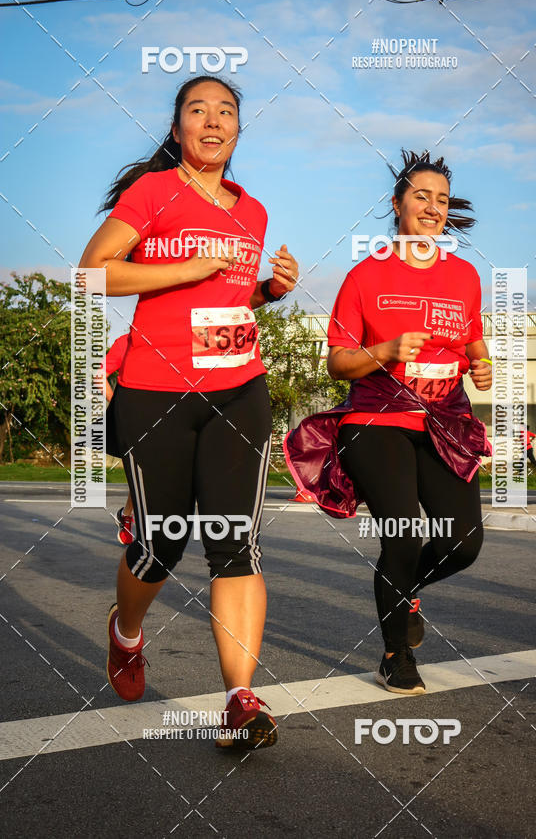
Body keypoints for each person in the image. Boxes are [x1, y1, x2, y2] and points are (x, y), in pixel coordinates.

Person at [80, 75, 298, 750]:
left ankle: (240, 700)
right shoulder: (152, 194)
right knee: (161, 542)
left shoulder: (253, 211)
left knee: (236, 538)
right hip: (155, 390)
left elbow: (224, 304)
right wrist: (184, 268)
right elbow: (92, 271)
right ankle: (126, 632)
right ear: (177, 130)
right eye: (197, 110)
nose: (213, 121)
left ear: (238, 129)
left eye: (226, 111)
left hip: (239, 388)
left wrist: (268, 289)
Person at [285, 151, 492, 695]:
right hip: (376, 417)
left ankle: (406, 594)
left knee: (463, 542)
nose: (432, 207)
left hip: (443, 419)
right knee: (401, 537)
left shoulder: (465, 276)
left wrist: (483, 362)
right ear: (397, 204)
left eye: (442, 199)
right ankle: (396, 654)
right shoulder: (365, 275)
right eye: (421, 196)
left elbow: (472, 338)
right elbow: (337, 362)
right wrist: (388, 349)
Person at [100, 333, 135, 544]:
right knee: (142, 473)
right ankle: (128, 517)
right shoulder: (125, 342)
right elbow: (99, 374)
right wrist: (116, 403)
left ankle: (127, 515)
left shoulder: (167, 342)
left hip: (164, 416)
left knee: (150, 475)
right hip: (133, 420)